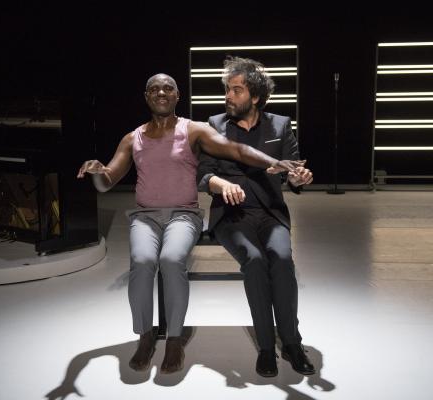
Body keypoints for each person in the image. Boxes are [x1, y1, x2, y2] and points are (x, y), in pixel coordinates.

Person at [77, 73, 302, 374]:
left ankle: (174, 339)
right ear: (146, 96)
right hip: (146, 216)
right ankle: (145, 336)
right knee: (142, 262)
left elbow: (235, 149)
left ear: (177, 95)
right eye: (154, 89)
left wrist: (273, 162)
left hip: (184, 214)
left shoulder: (193, 130)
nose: (161, 93)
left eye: (167, 88)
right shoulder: (133, 138)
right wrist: (96, 172)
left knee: (171, 260)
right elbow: (106, 182)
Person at [197, 57, 315, 377]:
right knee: (254, 260)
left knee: (281, 259)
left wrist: (298, 178)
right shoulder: (214, 125)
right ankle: (265, 346)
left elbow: (292, 172)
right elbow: (203, 176)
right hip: (231, 215)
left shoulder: (280, 125)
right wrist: (221, 184)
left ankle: (291, 342)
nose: (228, 96)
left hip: (270, 213)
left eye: (237, 90)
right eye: (227, 89)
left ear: (256, 97)